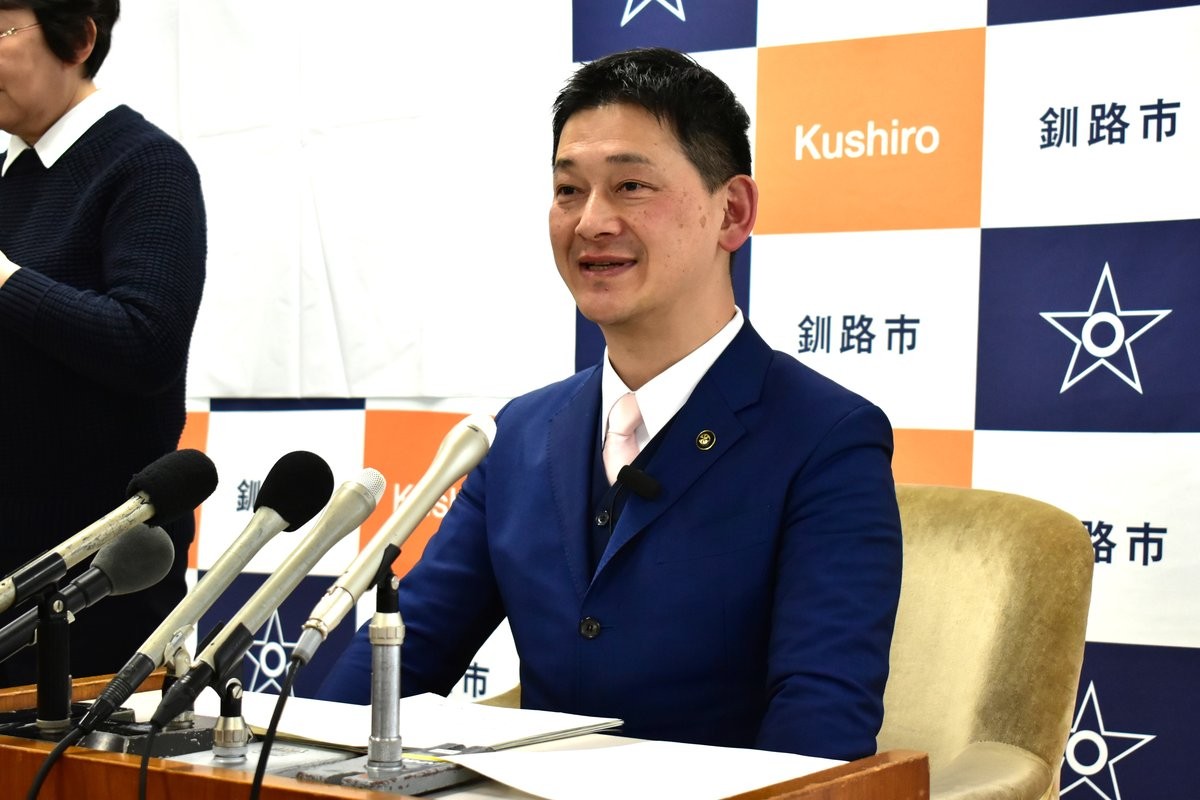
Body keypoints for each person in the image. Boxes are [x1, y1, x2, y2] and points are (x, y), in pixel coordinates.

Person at [319, 47, 902, 761]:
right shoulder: (520, 434)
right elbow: (405, 656)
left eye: (630, 186)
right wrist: (295, 761)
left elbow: (819, 727)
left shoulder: (827, 437)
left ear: (732, 211)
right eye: (569, 190)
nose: (591, 222)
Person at [0, 0, 206, 687]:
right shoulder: (6, 173)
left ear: (80, 38)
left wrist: (6, 280)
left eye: (0, 29)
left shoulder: (147, 166)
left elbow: (145, 341)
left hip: (99, 591)